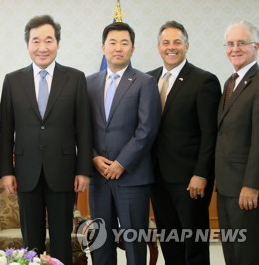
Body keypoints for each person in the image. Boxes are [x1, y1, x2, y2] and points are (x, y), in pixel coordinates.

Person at [0, 15, 92, 264]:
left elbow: (84, 128)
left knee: (62, 237)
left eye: (48, 40)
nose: (42, 47)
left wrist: (84, 170)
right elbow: (6, 130)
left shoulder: (74, 78)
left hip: (63, 170)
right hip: (26, 172)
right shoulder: (12, 80)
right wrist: (7, 171)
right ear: (27, 45)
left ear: (57, 43)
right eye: (36, 41)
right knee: (31, 239)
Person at [146, 20, 221, 265]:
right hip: (157, 178)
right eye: (165, 42)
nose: (171, 47)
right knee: (170, 241)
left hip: (190, 180)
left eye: (177, 42)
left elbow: (210, 133)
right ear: (158, 47)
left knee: (193, 243)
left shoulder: (204, 81)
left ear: (186, 46)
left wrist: (201, 173)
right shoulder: (148, 79)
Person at [86, 22, 161, 264]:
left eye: (124, 43)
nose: (118, 48)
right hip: (99, 177)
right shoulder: (88, 83)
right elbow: (81, 128)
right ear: (103, 47)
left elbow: (147, 129)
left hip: (132, 177)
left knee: (134, 243)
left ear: (133, 48)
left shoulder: (145, 82)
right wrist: (94, 156)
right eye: (112, 42)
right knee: (101, 242)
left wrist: (121, 163)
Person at [215, 20, 258, 265]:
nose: (235, 48)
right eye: (230, 44)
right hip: (225, 187)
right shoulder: (230, 82)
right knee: (231, 253)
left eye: (242, 43)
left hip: (245, 189)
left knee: (247, 254)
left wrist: (251, 185)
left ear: (256, 47)